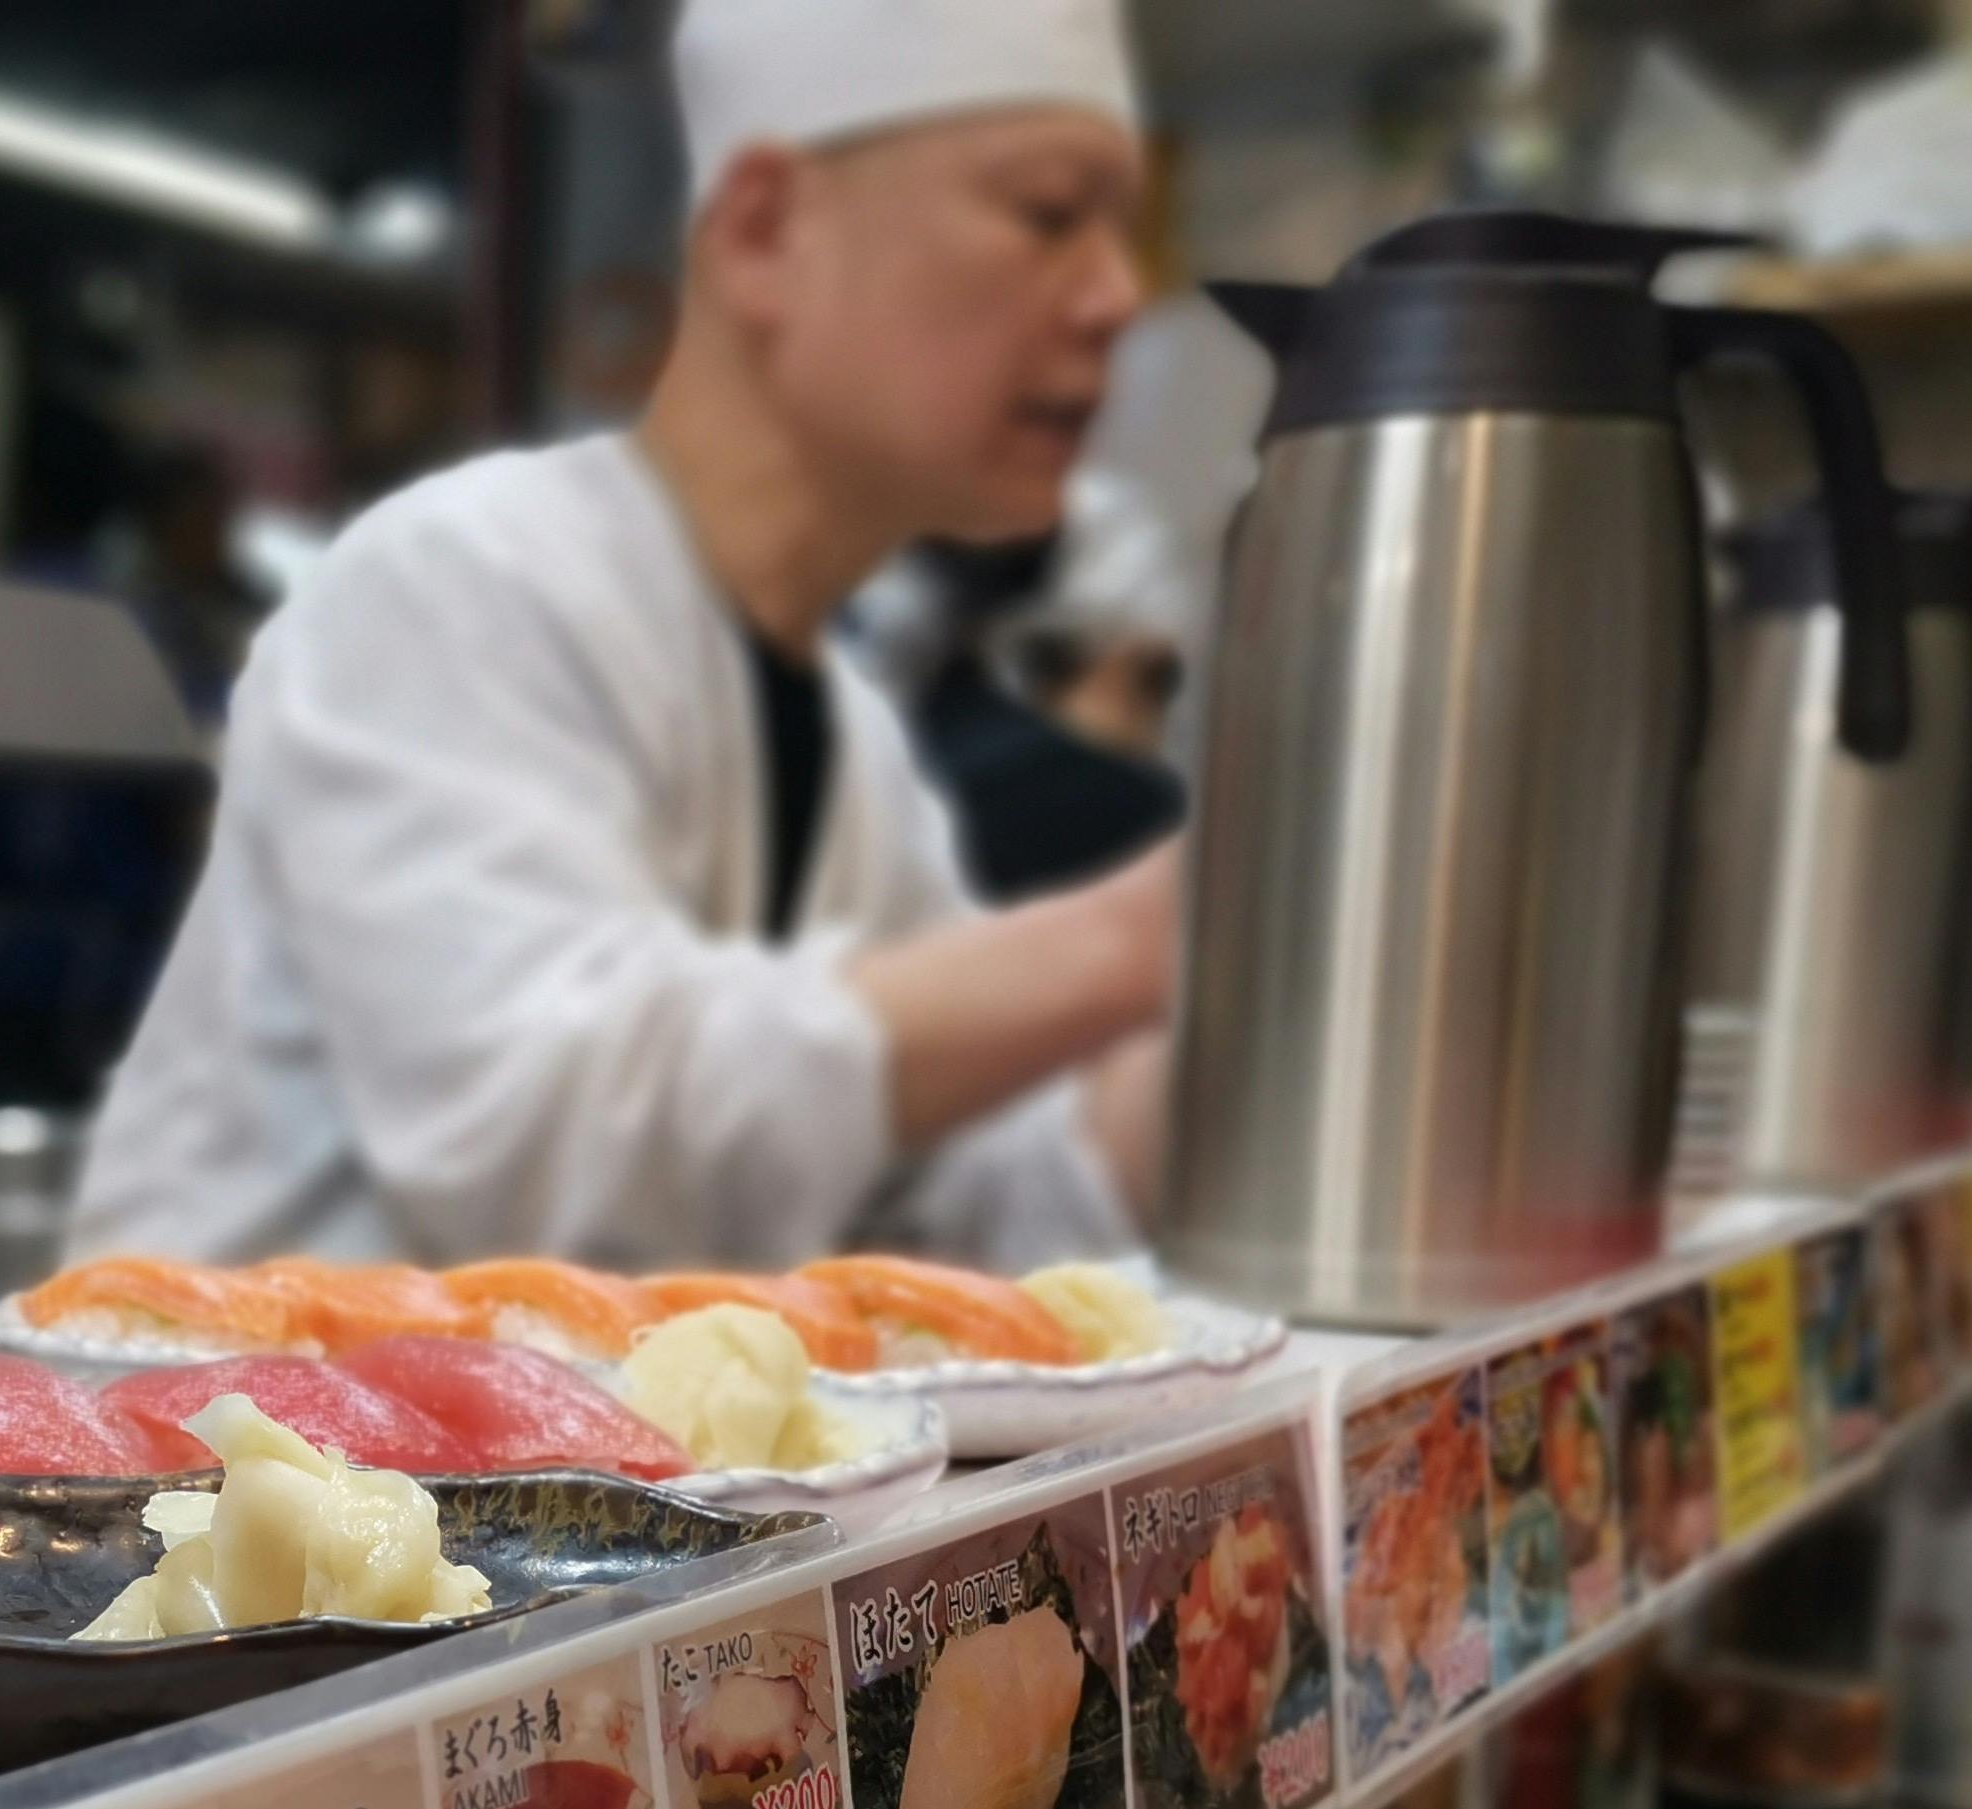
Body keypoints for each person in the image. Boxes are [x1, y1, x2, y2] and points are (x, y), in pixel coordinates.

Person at [67, 0, 1175, 1273]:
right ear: (764, 231)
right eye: (1047, 212)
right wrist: (1133, 940)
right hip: (231, 1451)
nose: (1114, 297)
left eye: (1119, 230)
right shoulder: (460, 581)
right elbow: (533, 1145)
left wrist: (1282, 967)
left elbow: (959, 1201)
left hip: (572, 1469)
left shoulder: (854, 744)